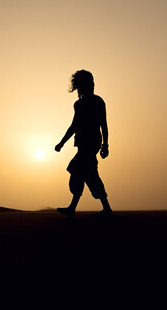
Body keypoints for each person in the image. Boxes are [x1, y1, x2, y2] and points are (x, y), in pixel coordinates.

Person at [55, 70, 113, 218]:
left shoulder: (98, 101)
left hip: (92, 143)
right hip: (82, 143)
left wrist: (105, 145)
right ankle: (75, 208)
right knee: (85, 172)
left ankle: (104, 209)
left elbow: (103, 125)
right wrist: (61, 143)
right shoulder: (78, 104)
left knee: (81, 171)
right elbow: (74, 126)